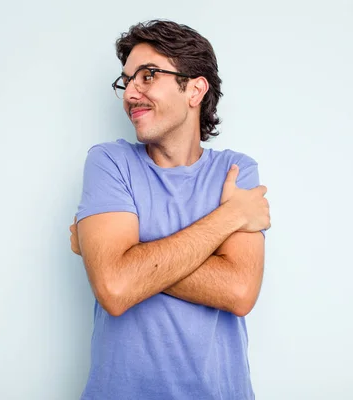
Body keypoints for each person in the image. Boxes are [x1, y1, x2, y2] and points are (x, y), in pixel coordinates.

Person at [69, 19, 271, 400]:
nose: (130, 92)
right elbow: (114, 288)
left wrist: (116, 259)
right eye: (126, 81)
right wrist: (228, 218)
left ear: (195, 89)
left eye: (147, 76)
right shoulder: (109, 162)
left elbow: (240, 291)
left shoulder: (236, 170)